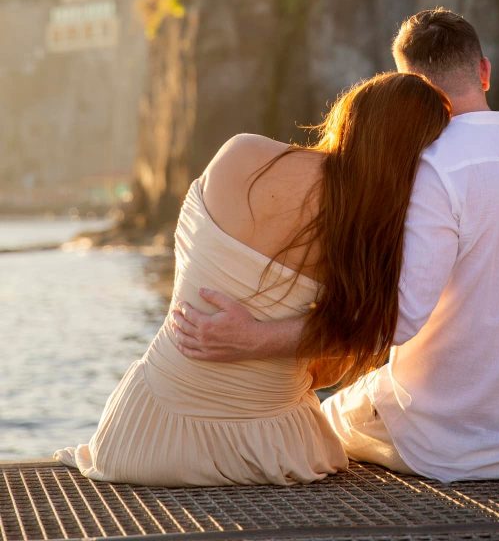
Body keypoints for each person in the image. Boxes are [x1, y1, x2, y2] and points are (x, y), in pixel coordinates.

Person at [172, 8, 499, 483]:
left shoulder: (429, 171)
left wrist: (256, 339)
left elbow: (391, 322)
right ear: (484, 71)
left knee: (315, 423)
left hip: (447, 448)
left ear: (410, 89)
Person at [53, 71, 452, 486]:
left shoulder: (241, 153)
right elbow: (327, 370)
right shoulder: (372, 237)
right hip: (268, 450)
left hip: (137, 435)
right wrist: (267, 340)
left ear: (350, 114)